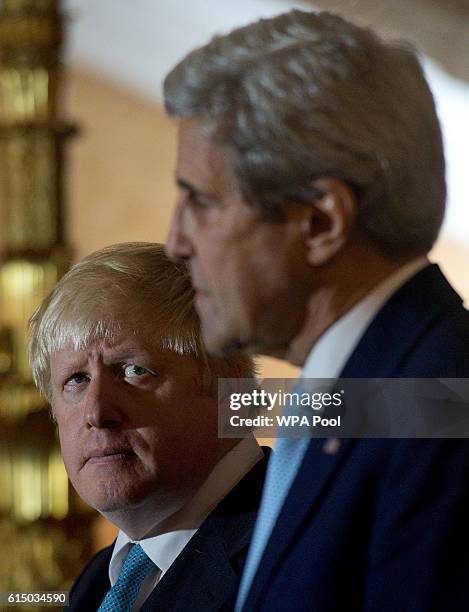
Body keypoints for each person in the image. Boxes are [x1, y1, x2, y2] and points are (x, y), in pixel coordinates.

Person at [163, 10, 469, 612]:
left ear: (321, 222)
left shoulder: (442, 409)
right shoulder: (378, 393)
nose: (175, 242)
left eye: (200, 201)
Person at [28, 242, 268, 612]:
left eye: (133, 370)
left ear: (228, 384)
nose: (96, 411)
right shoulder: (92, 585)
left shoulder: (295, 545)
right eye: (76, 379)